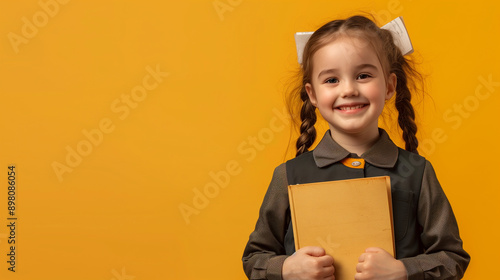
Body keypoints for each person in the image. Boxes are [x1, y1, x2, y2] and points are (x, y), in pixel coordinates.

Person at [242, 15, 470, 280]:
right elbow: (254, 258)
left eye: (363, 75)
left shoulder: (418, 172)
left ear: (389, 86)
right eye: (331, 80)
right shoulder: (288, 175)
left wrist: (404, 271)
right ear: (313, 94)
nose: (348, 89)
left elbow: (453, 258)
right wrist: (286, 268)